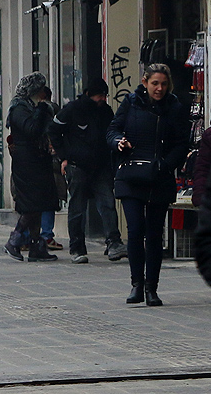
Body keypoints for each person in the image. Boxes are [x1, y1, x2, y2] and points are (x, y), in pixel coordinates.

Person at [109, 64, 192, 305]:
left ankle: (151, 288)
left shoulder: (174, 107)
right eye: (155, 83)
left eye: (164, 84)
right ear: (145, 82)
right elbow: (112, 130)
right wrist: (118, 142)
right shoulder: (131, 103)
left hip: (158, 176)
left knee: (154, 234)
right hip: (132, 174)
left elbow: (181, 143)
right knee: (135, 230)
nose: (159, 88)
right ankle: (136, 283)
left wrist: (166, 164)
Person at [51, 79, 123, 263]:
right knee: (77, 208)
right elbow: (53, 130)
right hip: (77, 166)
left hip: (101, 166)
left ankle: (114, 242)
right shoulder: (72, 109)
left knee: (107, 203)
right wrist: (64, 157)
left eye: (105, 95)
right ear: (90, 94)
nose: (103, 99)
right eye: (100, 95)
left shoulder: (105, 111)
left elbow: (111, 132)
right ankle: (77, 248)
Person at [3, 73, 60, 264]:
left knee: (39, 204)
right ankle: (15, 239)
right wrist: (43, 110)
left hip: (39, 161)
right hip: (27, 163)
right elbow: (32, 129)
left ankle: (37, 246)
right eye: (42, 90)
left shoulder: (35, 107)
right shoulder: (20, 108)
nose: (45, 94)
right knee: (31, 204)